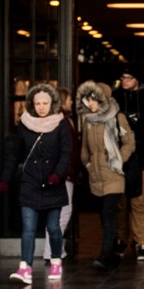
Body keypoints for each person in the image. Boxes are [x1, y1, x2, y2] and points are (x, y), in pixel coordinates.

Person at [0, 83, 72, 284]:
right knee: (28, 228)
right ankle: (25, 268)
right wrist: (6, 178)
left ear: (52, 103)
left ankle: (56, 261)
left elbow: (66, 155)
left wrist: (57, 175)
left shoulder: (61, 125)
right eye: (37, 103)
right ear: (32, 104)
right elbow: (14, 155)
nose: (41, 107)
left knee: (53, 228)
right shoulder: (24, 124)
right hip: (30, 182)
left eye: (45, 103)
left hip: (52, 184)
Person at [76, 80, 135, 271]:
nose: (89, 103)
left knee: (109, 212)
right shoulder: (88, 121)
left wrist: (119, 159)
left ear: (102, 99)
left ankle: (105, 255)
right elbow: (84, 148)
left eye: (92, 99)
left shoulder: (117, 117)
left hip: (114, 175)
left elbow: (129, 143)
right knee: (104, 216)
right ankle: (112, 250)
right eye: (87, 100)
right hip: (96, 176)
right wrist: (87, 164)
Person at [114, 65, 144, 261]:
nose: (125, 81)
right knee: (121, 203)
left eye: (129, 77)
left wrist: (136, 126)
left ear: (137, 80)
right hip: (120, 158)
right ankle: (120, 240)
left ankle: (142, 242)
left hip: (143, 158)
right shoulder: (115, 99)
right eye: (123, 77)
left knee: (140, 203)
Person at [43, 87, 80, 263]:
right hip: (62, 173)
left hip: (60, 172)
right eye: (69, 99)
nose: (71, 101)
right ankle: (53, 251)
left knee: (57, 212)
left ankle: (52, 250)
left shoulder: (61, 120)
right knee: (63, 212)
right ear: (63, 100)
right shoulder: (61, 121)